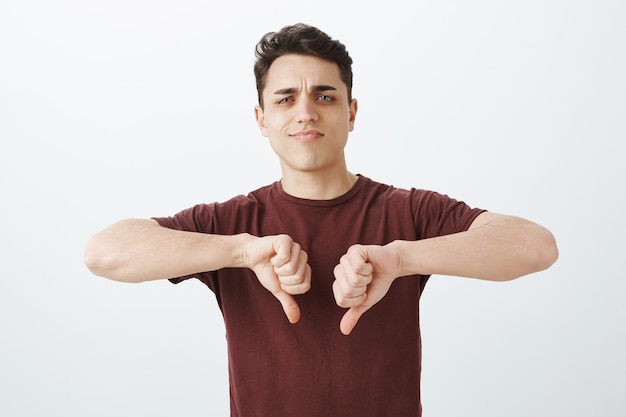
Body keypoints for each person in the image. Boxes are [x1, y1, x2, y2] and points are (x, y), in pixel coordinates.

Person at [84, 23, 558, 417]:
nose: (306, 112)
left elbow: (535, 246)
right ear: (261, 118)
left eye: (325, 97)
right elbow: (104, 253)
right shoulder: (233, 222)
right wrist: (242, 252)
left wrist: (400, 258)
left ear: (351, 113)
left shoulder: (406, 211)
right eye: (286, 99)